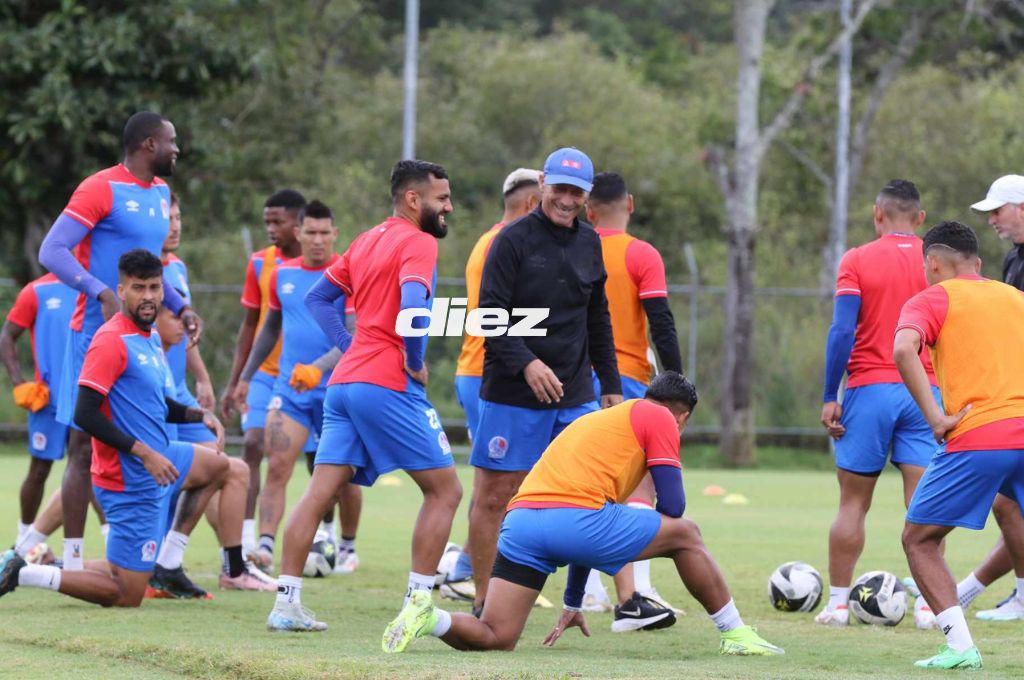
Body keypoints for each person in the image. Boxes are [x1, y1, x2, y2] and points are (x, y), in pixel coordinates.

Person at [381, 372, 783, 657]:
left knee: (496, 634)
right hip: (571, 520)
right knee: (687, 533)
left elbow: (584, 526)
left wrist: (573, 601)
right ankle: (736, 633)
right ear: (682, 416)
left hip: (521, 523)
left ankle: (429, 617)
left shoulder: (599, 422)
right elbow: (673, 507)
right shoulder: (658, 416)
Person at [267, 160, 460, 632]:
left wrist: (352, 348)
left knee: (318, 491)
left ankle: (285, 604)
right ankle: (418, 603)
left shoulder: (367, 239)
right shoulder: (418, 242)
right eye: (443, 198)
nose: (449, 206)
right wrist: (414, 360)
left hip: (345, 384)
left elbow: (317, 298)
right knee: (446, 490)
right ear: (414, 200)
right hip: (385, 382)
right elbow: (414, 308)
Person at [0, 250, 230, 608]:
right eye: (139, 288)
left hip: (161, 459)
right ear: (121, 291)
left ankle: (167, 563)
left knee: (220, 465)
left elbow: (155, 404)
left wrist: (197, 415)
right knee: (128, 594)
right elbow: (86, 414)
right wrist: (145, 453)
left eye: (155, 287)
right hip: (129, 477)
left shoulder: (150, 337)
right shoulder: (110, 340)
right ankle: (25, 572)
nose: (149, 296)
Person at [38, 111, 200, 571]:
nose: (177, 150)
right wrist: (101, 292)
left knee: (147, 432)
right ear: (149, 144)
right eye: (172, 142)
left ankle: (146, 557)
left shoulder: (161, 193)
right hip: (92, 333)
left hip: (140, 337)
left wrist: (182, 308)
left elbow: (155, 270)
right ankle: (71, 557)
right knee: (82, 445)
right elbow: (51, 250)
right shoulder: (100, 187)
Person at [465, 147, 621, 614]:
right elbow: (488, 319)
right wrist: (528, 364)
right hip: (513, 393)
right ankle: (484, 598)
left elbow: (598, 316)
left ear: (587, 196)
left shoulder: (590, 242)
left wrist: (609, 382)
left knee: (580, 497)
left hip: (575, 396)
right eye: (560, 190)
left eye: (576, 193)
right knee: (496, 496)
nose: (567, 200)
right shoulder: (510, 241)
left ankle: (576, 599)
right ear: (542, 185)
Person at [894, 220, 1024, 670]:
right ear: (979, 262)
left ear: (932, 262)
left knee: (919, 539)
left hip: (981, 433)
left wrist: (935, 417)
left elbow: (904, 349)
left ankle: (960, 646)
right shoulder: (1016, 297)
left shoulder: (932, 297)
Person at [815, 179, 940, 629]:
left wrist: (832, 394)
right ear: (920, 218)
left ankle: (837, 604)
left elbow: (842, 331)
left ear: (877, 214)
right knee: (925, 505)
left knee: (852, 504)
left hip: (869, 390)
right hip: (925, 392)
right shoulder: (938, 259)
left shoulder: (857, 259)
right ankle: (930, 608)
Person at [234, 200, 362, 574]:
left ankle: (346, 545)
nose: (318, 240)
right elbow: (269, 327)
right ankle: (264, 547)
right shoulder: (281, 275)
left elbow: (354, 338)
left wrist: (317, 368)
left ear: (335, 235)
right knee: (277, 465)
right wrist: (244, 377)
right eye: (311, 232)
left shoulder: (346, 277)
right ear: (299, 234)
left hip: (336, 391)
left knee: (343, 474)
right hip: (290, 389)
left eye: (325, 233)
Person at [581, 171, 685, 627]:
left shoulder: (575, 248)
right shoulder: (641, 253)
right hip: (625, 379)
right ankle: (639, 589)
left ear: (588, 211)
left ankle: (587, 590)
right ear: (631, 204)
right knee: (638, 484)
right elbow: (659, 321)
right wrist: (677, 381)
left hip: (571, 379)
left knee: (586, 483)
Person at [442, 167, 541, 603]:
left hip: (487, 371)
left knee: (511, 484)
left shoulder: (500, 240)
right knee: (499, 486)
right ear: (530, 205)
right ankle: (474, 574)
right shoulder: (503, 244)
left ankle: (470, 567)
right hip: (488, 373)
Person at [932, 174, 1024, 621]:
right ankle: (980, 591)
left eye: (998, 210)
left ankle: (977, 591)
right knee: (1008, 504)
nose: (992, 219)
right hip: (1011, 401)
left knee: (1008, 504)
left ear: (1022, 207)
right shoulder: (1012, 261)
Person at [219, 189, 320, 567]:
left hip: (314, 378)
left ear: (299, 225)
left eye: (278, 222)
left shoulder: (328, 268)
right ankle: (248, 543)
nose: (271, 229)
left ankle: (330, 539)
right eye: (267, 222)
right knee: (254, 444)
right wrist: (237, 381)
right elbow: (252, 326)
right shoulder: (261, 264)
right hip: (267, 375)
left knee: (321, 461)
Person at [146, 302, 274, 595]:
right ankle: (40, 567)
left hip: (158, 457)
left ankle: (228, 567)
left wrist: (200, 411)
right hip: (141, 465)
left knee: (229, 468)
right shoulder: (144, 353)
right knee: (126, 576)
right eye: (176, 318)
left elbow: (166, 408)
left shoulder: (162, 356)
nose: (185, 324)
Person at [1, 273, 78, 544]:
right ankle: (24, 540)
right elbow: (7, 336)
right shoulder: (37, 290)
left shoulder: (97, 287)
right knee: (39, 470)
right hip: (48, 401)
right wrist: (19, 382)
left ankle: (103, 545)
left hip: (88, 399)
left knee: (91, 469)